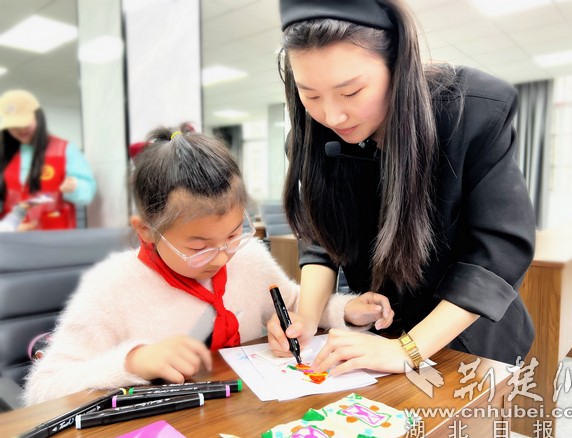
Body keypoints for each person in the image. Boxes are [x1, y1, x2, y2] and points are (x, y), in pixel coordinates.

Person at [23, 127, 392, 406]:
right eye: (198, 247)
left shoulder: (248, 259)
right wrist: (135, 361)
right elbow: (43, 388)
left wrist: (347, 308)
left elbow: (296, 305)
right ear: (147, 232)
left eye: (233, 234)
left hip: (249, 412)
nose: (221, 257)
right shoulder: (113, 288)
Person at [267, 0, 536, 376]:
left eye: (351, 92)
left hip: (467, 339)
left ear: (397, 65)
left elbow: (497, 252)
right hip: (378, 333)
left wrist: (407, 350)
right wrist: (307, 318)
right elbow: (321, 234)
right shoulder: (311, 136)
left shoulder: (468, 113)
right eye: (309, 95)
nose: (332, 116)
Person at [0, 89, 96, 230]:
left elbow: (87, 193)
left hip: (55, 238)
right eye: (14, 126)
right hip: (12, 239)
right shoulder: (4, 155)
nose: (20, 129)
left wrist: (75, 187)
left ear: (38, 117)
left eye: (24, 123)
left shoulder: (65, 149)